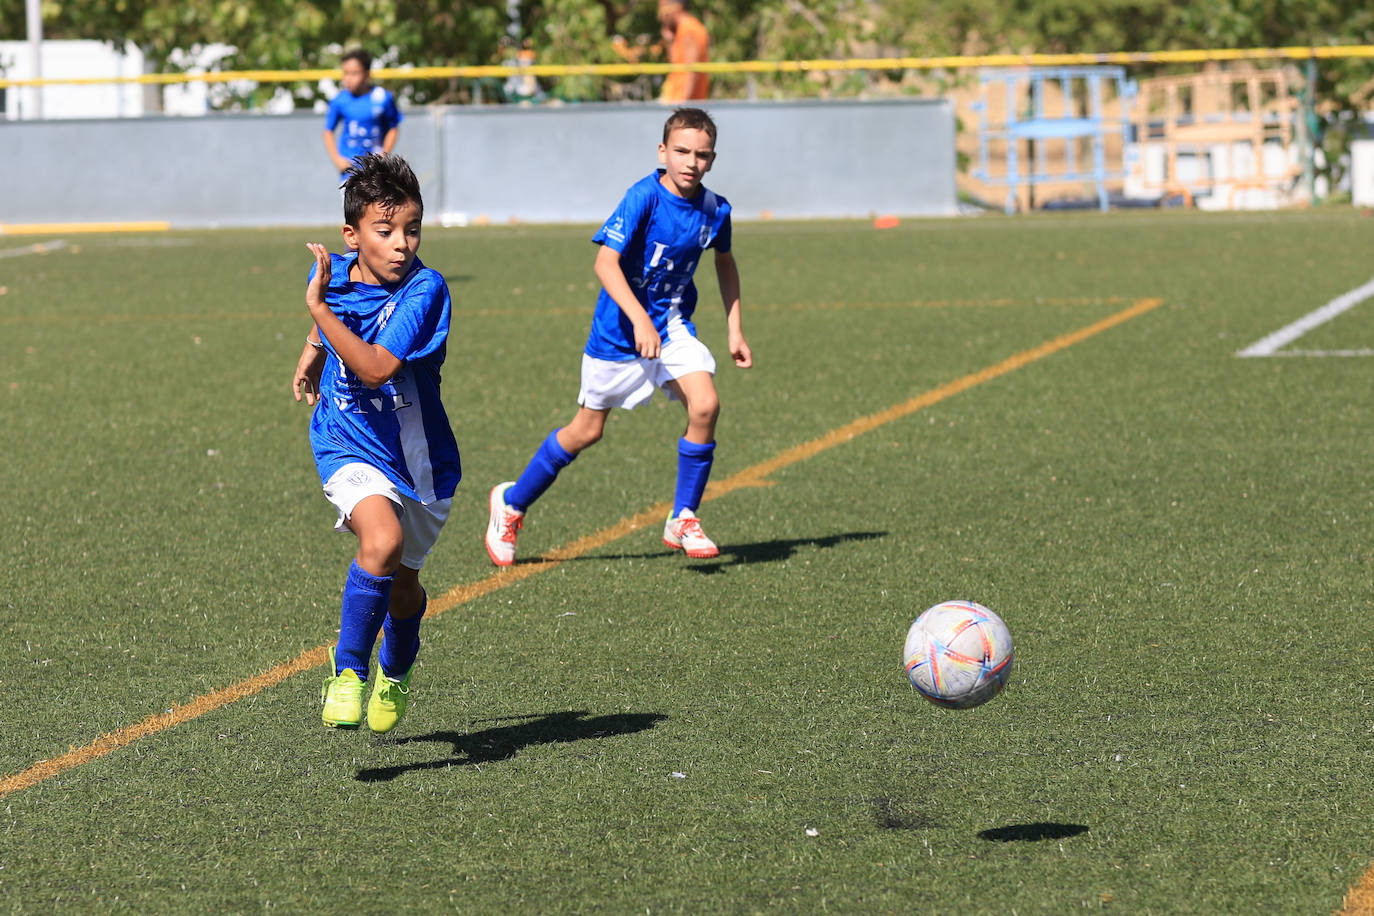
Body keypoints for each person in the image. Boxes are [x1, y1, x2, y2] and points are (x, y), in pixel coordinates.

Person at [485, 107, 751, 567]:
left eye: (702, 155)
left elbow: (724, 262)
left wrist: (734, 328)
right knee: (586, 430)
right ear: (662, 151)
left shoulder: (715, 210)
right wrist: (638, 320)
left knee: (705, 404)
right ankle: (511, 504)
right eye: (682, 151)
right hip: (617, 335)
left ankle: (683, 516)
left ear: (713, 159)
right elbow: (605, 263)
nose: (691, 162)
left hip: (670, 325)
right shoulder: (643, 197)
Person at [291, 154, 460, 733]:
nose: (401, 244)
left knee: (404, 586)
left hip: (418, 459)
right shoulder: (335, 273)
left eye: (411, 229)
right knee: (381, 540)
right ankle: (348, 673)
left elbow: (376, 368)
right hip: (345, 439)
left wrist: (316, 316)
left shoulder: (426, 290)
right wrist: (312, 354)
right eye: (384, 232)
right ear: (352, 235)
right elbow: (334, 307)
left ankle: (396, 668)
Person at [322, 49, 403, 179]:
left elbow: (393, 128)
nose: (348, 78)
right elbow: (328, 131)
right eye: (345, 73)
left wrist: (383, 155)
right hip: (350, 171)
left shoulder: (382, 97)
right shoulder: (340, 100)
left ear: (367, 74)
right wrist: (337, 160)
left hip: (375, 170)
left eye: (354, 73)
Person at [657, 1, 710, 103]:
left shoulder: (689, 29)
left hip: (685, 103)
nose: (661, 17)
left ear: (676, 7)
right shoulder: (681, 30)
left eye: (662, 10)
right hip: (677, 99)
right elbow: (675, 63)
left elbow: (692, 71)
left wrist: (684, 104)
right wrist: (669, 40)